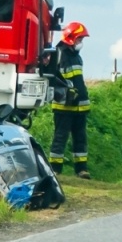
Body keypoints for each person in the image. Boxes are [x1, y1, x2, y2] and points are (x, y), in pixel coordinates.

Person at [43, 20, 91, 177]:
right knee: (60, 137)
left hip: (79, 106)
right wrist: (68, 92)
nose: (81, 42)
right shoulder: (58, 55)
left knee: (80, 138)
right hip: (64, 105)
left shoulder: (76, 56)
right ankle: (55, 169)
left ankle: (81, 169)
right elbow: (56, 79)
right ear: (71, 38)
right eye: (79, 39)